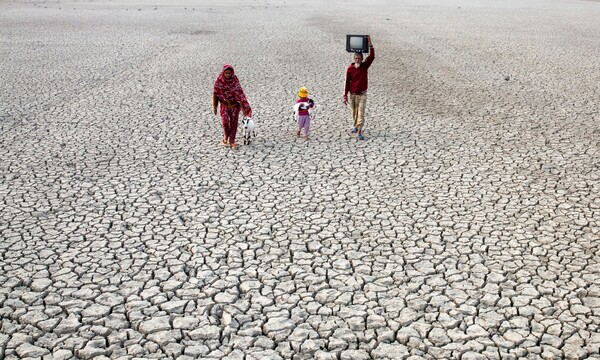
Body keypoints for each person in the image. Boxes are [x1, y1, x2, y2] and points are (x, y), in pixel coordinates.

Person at [212, 64, 252, 149]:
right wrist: (215, 106)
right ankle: (226, 135)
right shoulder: (219, 81)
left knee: (234, 124)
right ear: (223, 73)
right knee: (225, 122)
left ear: (232, 73)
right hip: (224, 105)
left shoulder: (235, 81)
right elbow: (215, 94)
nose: (227, 75)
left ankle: (232, 141)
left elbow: (240, 94)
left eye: (229, 73)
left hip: (234, 106)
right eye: (226, 73)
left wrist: (244, 107)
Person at [343, 35, 375, 140]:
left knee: (361, 113)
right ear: (354, 58)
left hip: (362, 94)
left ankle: (359, 131)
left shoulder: (365, 66)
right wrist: (345, 96)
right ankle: (356, 126)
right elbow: (347, 82)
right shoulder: (350, 69)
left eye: (359, 58)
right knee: (354, 112)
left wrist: (370, 43)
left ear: (362, 59)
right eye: (356, 58)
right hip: (353, 94)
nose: (357, 60)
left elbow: (372, 56)